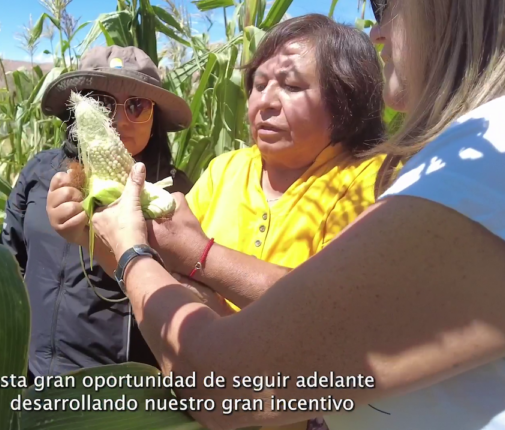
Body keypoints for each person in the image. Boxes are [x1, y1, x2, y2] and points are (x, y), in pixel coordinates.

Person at [86, 0, 505, 429]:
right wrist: (118, 248)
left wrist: (134, 254)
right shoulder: (226, 169)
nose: (379, 34)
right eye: (257, 84)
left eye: (388, 6)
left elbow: (227, 382)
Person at [48, 14, 389, 430]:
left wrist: (201, 257)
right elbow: (151, 273)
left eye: (292, 86)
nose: (266, 101)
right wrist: (92, 238)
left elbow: (336, 319)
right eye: (259, 85)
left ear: (347, 101)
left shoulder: (372, 184)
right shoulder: (226, 170)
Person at [0, 45, 194, 379]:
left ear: (155, 119)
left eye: (136, 106)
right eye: (100, 104)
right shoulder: (40, 172)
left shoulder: (174, 195)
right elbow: (8, 258)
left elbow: (184, 298)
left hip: (112, 391)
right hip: (28, 373)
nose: (116, 120)